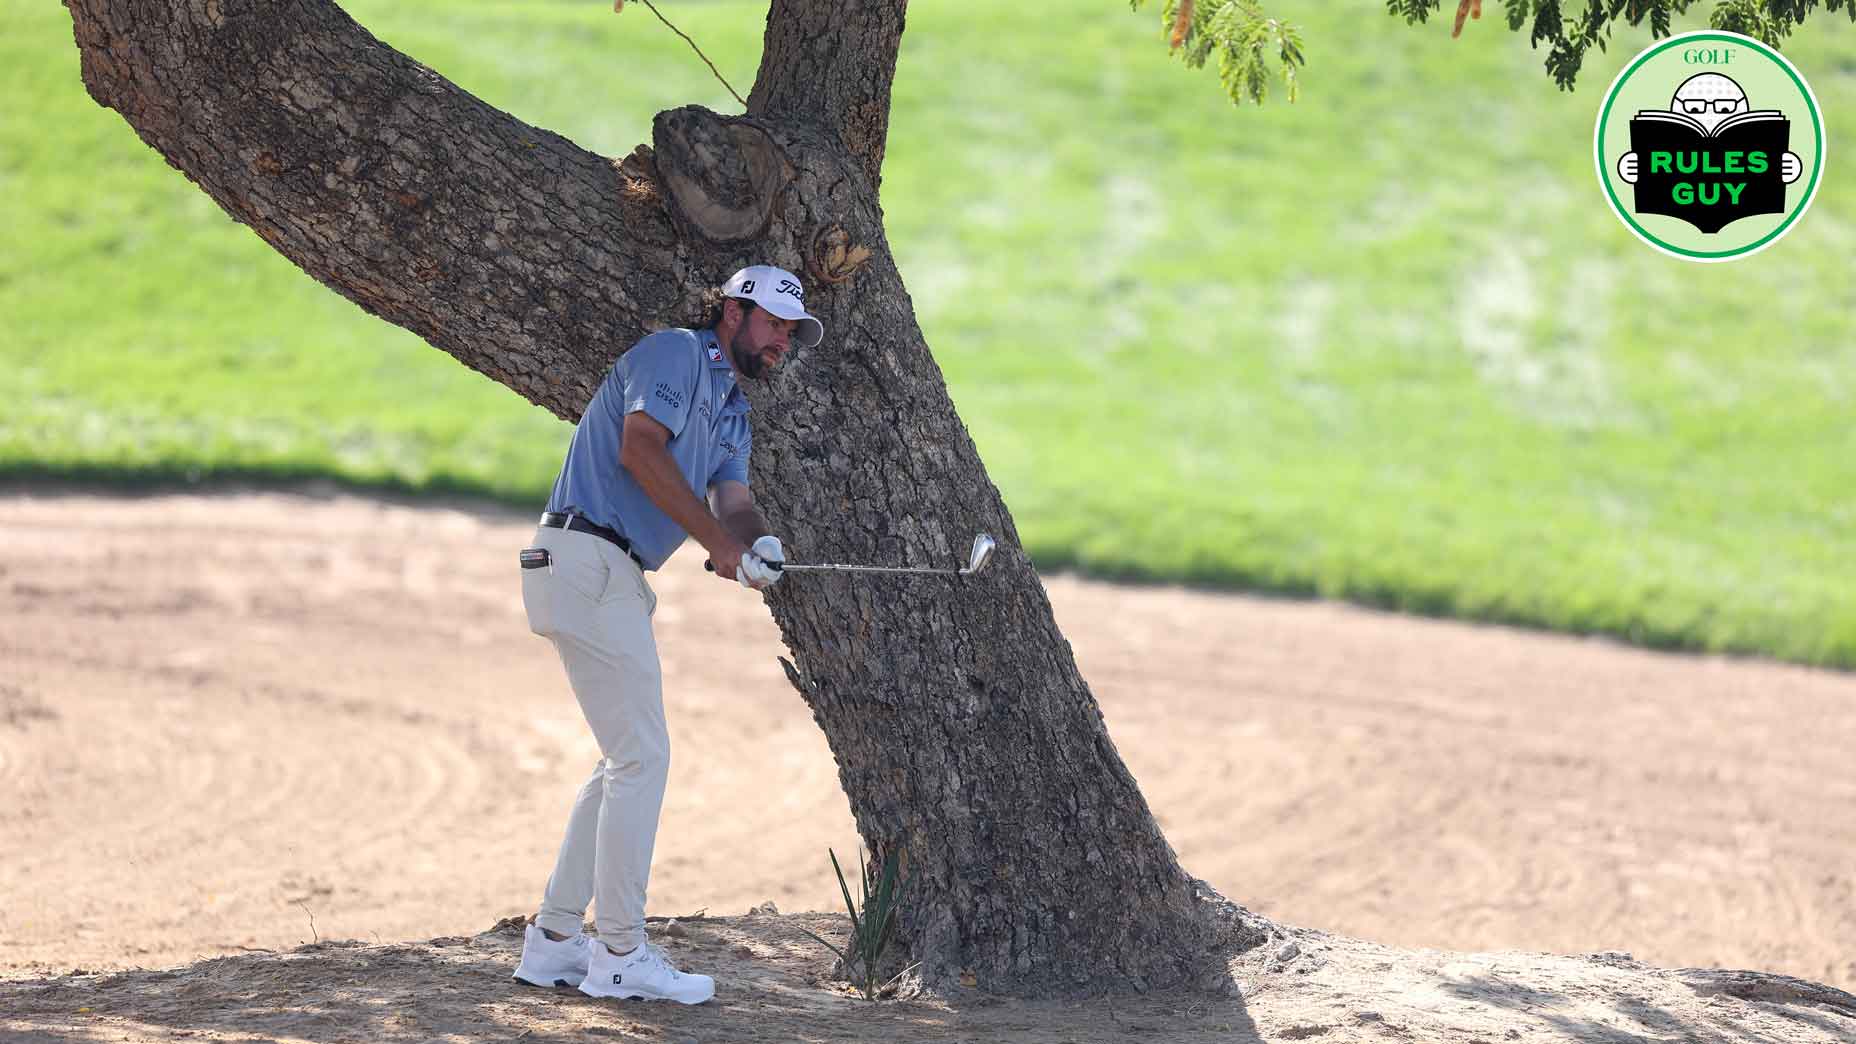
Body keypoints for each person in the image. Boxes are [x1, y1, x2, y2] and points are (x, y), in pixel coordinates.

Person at [510, 265, 824, 1004]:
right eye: (774, 324)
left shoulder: (734, 409)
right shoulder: (675, 354)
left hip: (607, 574)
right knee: (642, 758)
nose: (783, 341)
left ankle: (555, 941)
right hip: (585, 559)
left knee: (622, 760)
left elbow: (735, 499)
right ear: (734, 311)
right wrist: (719, 544)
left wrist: (755, 544)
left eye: (790, 331)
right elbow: (640, 450)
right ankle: (619, 954)